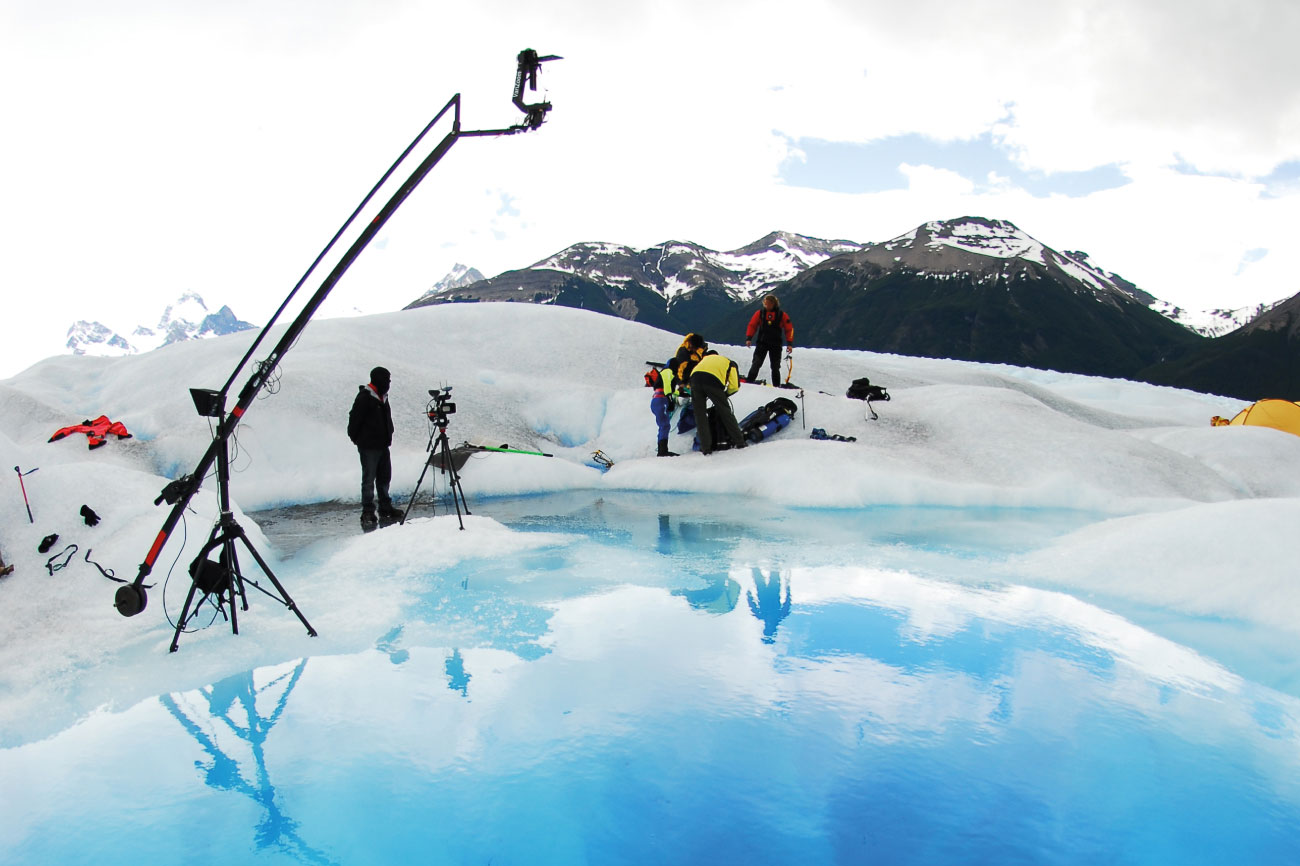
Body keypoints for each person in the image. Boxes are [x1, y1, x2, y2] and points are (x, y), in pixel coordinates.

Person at [347, 366, 400, 528]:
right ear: (378, 379)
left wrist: (388, 434)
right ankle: (368, 511)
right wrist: (358, 439)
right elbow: (354, 420)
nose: (389, 383)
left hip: (383, 445)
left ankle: (385, 507)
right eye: (387, 379)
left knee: (384, 477)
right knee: (369, 479)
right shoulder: (365, 397)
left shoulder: (383, 397)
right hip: (369, 446)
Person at [688, 350, 746, 455]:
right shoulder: (730, 363)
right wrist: (724, 395)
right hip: (712, 381)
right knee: (725, 412)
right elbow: (734, 387)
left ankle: (706, 448)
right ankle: (740, 442)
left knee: (700, 416)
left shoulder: (704, 360)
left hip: (694, 379)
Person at [744, 294, 794, 385]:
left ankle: (776, 387)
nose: (767, 306)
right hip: (762, 343)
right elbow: (752, 325)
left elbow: (789, 329)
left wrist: (789, 343)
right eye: (765, 304)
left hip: (776, 345)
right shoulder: (760, 313)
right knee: (756, 363)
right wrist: (749, 338)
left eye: (769, 304)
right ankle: (749, 383)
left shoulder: (782, 315)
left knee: (775, 367)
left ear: (774, 304)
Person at [645, 367, 678, 457]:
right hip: (661, 400)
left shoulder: (663, 375)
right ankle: (662, 451)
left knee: (662, 425)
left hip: (656, 400)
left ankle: (662, 450)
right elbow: (667, 386)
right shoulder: (668, 371)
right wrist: (669, 399)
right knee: (664, 425)